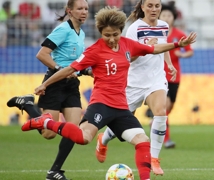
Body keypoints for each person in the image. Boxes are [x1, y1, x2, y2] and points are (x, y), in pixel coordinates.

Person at [20, 6, 196, 180]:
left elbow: (154, 49)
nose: (111, 39)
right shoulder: (94, 50)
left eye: (115, 35)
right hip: (101, 105)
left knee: (143, 141)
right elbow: (69, 69)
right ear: (100, 33)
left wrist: (178, 44)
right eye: (107, 35)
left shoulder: (128, 45)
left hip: (121, 108)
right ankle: (47, 122)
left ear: (121, 31)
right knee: (83, 138)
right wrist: (46, 84)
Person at [6, 0, 89, 179]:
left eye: (86, 9)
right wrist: (61, 70)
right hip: (55, 83)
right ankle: (27, 105)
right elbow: (42, 54)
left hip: (72, 85)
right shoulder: (63, 30)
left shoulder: (81, 33)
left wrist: (86, 71)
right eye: (80, 9)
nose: (84, 12)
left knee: (73, 131)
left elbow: (76, 62)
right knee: (49, 134)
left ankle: (54, 171)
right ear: (69, 11)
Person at [97, 0, 177, 175]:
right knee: (123, 120)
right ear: (142, 7)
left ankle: (154, 159)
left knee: (161, 111)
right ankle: (103, 138)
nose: (154, 9)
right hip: (135, 82)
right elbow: (127, 56)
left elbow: (163, 48)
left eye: (157, 5)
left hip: (156, 79)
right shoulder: (134, 28)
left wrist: (169, 64)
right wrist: (148, 48)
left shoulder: (163, 26)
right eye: (150, 6)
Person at [159, 2, 194, 148]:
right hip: (159, 76)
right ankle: (166, 139)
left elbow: (190, 51)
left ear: (173, 18)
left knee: (169, 107)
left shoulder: (179, 35)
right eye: (164, 15)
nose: (166, 18)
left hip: (175, 76)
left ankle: (157, 120)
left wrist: (183, 55)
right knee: (164, 107)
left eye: (169, 15)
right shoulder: (156, 33)